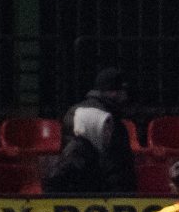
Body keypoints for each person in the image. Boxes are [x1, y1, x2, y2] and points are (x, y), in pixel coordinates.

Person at [44, 67, 138, 195]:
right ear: (113, 92)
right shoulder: (110, 120)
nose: (126, 96)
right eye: (123, 91)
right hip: (102, 194)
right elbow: (119, 170)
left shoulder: (74, 112)